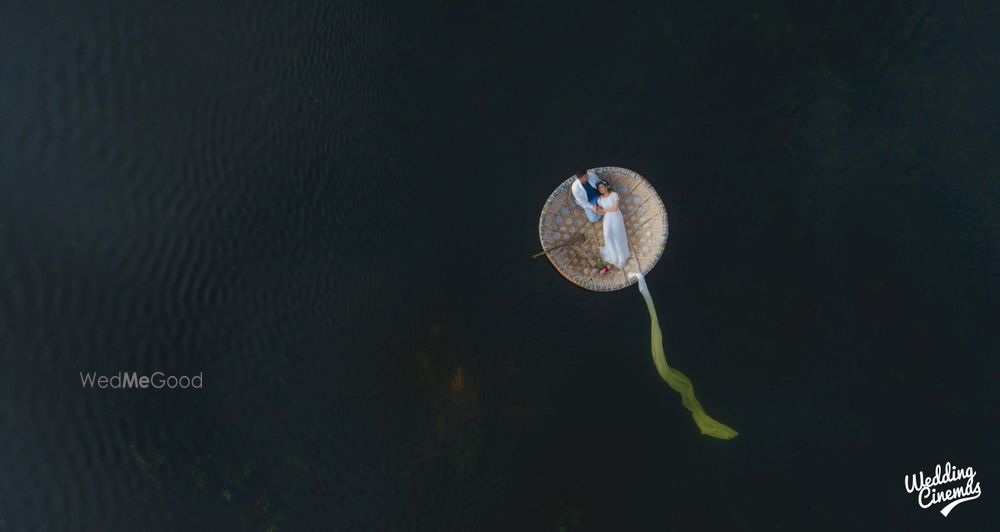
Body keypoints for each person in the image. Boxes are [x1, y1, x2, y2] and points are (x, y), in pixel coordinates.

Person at [595, 180, 629, 273]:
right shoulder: (600, 199)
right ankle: (613, 256)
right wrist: (596, 210)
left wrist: (603, 210)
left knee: (616, 237)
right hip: (607, 218)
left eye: (602, 187)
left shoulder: (614, 195)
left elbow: (615, 208)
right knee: (607, 236)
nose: (600, 189)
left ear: (606, 187)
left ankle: (620, 258)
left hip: (616, 217)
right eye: (599, 188)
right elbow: (601, 211)